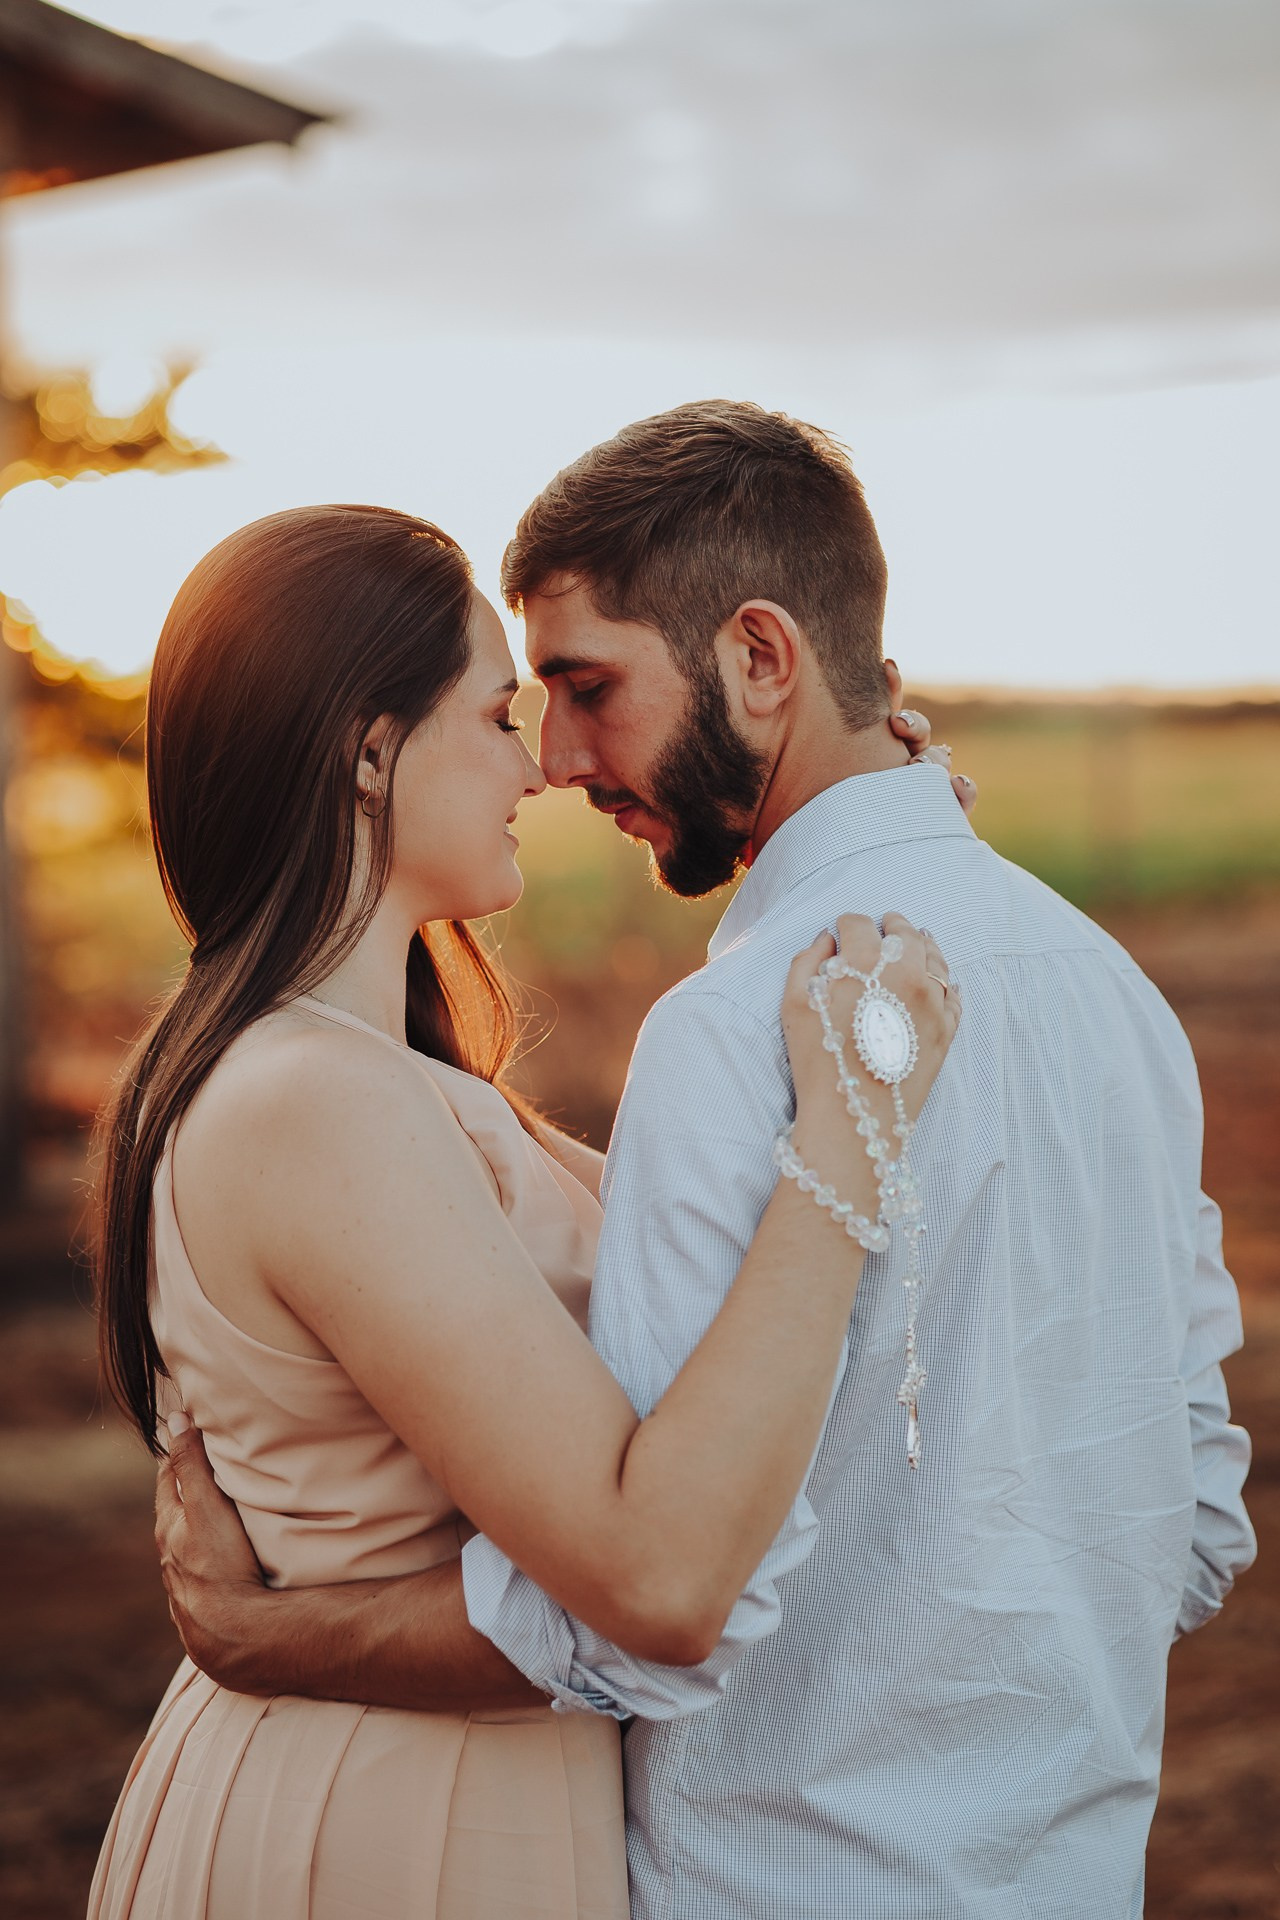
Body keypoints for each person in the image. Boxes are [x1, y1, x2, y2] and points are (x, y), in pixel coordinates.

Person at [157, 403, 1255, 1920]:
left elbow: (647, 1613)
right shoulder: (1110, 995)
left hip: (771, 1883)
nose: (557, 755)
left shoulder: (741, 1028)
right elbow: (1193, 1518)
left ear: (757, 656)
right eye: (522, 706)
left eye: (587, 687)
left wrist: (263, 1635)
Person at [86, 499, 960, 1919]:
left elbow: (699, 1309)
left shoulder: (397, 1084)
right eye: (498, 716)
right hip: (390, 1828)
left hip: (455, 1787)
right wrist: (854, 1136)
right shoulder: (314, 1102)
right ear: (369, 754)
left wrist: (880, 823)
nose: (542, 765)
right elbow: (655, 1574)